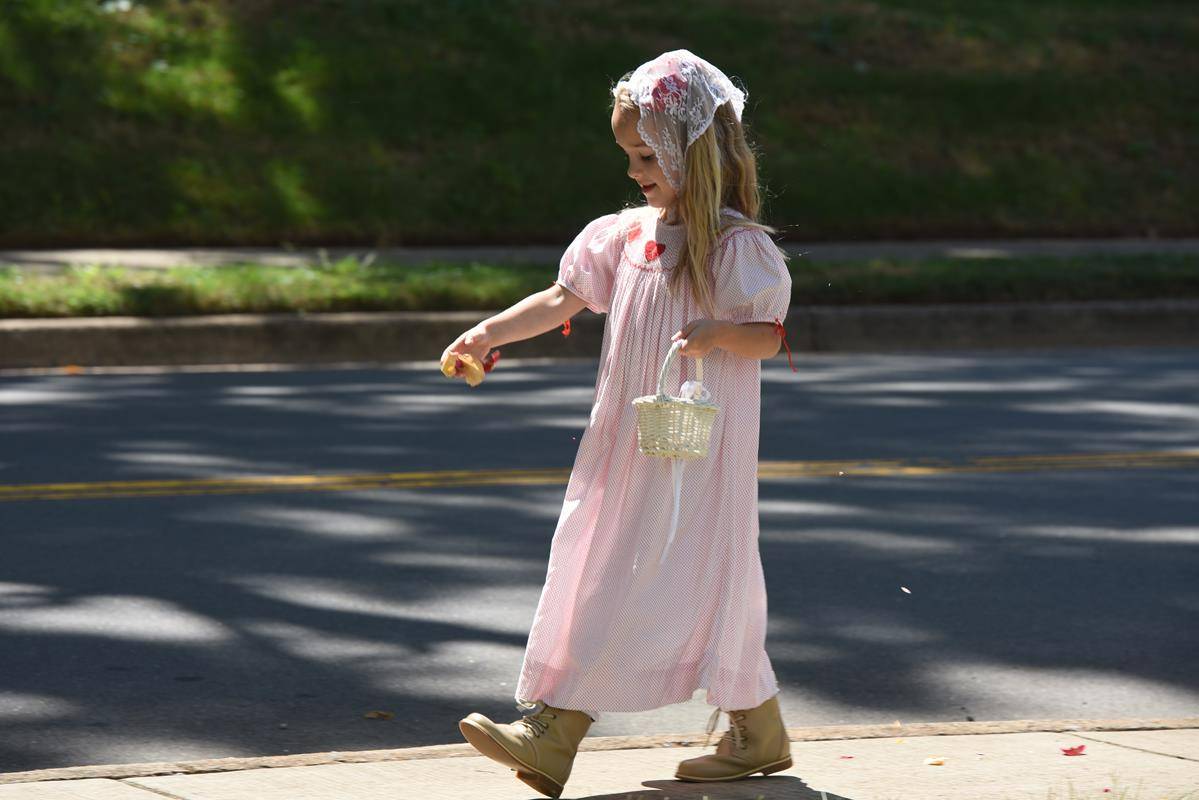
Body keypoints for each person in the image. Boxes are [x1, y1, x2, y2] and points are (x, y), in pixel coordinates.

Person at [450, 49, 797, 798]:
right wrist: (487, 333)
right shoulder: (622, 236)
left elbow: (767, 334)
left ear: (689, 152)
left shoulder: (738, 250)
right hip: (624, 445)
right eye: (628, 155)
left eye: (646, 154)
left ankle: (555, 730)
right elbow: (560, 298)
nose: (634, 169)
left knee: (642, 572)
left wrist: (716, 332)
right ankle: (756, 728)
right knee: (631, 564)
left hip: (694, 457)